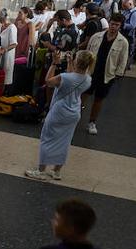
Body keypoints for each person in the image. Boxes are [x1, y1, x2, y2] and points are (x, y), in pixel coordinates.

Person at [25, 50, 94, 182]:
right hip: (74, 113)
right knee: (65, 141)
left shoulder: (65, 77)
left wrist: (54, 63)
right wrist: (69, 61)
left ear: (77, 61)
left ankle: (41, 171)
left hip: (59, 111)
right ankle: (57, 171)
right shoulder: (87, 79)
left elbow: (48, 82)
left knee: (47, 139)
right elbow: (73, 77)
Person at [83, 15, 129, 135]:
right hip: (91, 72)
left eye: (117, 25)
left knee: (99, 99)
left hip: (107, 75)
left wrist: (118, 74)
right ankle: (75, 117)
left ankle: (92, 122)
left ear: (120, 26)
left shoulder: (123, 42)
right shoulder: (96, 37)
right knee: (84, 95)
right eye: (112, 23)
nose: (113, 27)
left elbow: (123, 60)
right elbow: (88, 52)